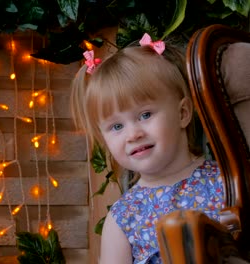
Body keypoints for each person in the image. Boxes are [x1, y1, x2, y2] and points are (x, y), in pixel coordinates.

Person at [70, 33, 225, 263]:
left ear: (183, 113)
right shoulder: (123, 218)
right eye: (116, 126)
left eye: (145, 114)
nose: (133, 134)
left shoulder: (225, 180)